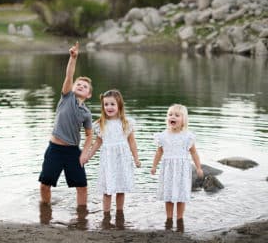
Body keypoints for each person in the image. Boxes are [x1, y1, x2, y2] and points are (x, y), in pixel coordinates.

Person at [38, 42, 93, 217]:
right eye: (79, 84)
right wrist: (73, 57)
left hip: (72, 152)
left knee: (82, 186)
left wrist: (85, 153)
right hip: (54, 149)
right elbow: (69, 75)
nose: (81, 86)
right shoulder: (67, 96)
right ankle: (45, 211)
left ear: (88, 95)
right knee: (45, 184)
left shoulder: (86, 113)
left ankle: (82, 216)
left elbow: (90, 135)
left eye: (85, 87)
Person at [85, 89, 141, 227]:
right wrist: (88, 156)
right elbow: (98, 142)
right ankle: (106, 215)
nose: (109, 107)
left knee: (120, 188)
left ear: (119, 105)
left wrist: (136, 158)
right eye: (106, 104)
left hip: (122, 159)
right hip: (108, 161)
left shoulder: (126, 123)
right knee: (107, 189)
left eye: (112, 104)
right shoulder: (100, 124)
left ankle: (120, 213)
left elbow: (132, 142)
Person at [151, 104, 203, 231]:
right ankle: (169, 219)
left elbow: (194, 152)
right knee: (168, 196)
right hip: (168, 170)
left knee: (181, 196)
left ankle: (180, 219)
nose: (172, 117)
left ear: (183, 120)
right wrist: (154, 166)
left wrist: (199, 167)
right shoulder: (162, 136)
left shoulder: (188, 136)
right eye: (170, 115)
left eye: (176, 115)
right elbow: (159, 152)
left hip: (182, 171)